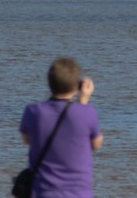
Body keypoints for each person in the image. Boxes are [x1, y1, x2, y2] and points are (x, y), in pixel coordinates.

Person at [19, 57, 103, 197]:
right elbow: (95, 143)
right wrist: (83, 100)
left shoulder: (33, 111)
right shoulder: (87, 112)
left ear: (49, 82)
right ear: (76, 86)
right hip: (79, 193)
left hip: (44, 192)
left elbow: (27, 139)